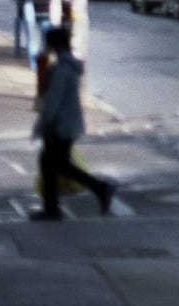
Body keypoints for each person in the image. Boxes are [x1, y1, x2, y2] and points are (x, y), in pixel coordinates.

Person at [31, 26, 116, 221]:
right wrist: (42, 69)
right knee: (55, 164)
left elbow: (52, 100)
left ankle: (98, 189)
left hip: (61, 125)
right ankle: (57, 206)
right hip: (66, 123)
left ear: (54, 44)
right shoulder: (64, 66)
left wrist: (46, 124)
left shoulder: (62, 69)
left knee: (53, 164)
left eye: (48, 43)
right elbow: (45, 92)